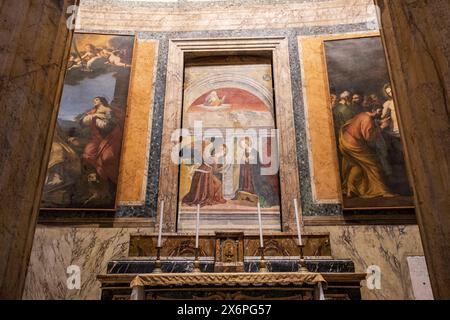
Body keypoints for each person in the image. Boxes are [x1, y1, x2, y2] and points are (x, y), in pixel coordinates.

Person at [339, 105, 396, 199]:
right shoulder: (368, 119)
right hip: (354, 144)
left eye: (381, 112)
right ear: (373, 110)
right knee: (373, 164)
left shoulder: (363, 115)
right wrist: (382, 127)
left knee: (357, 165)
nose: (380, 114)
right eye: (379, 112)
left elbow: (365, 125)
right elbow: (369, 137)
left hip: (346, 141)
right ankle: (382, 191)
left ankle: (350, 189)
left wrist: (379, 122)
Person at [80, 97, 124, 186]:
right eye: (94, 99)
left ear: (101, 101)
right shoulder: (93, 112)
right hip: (96, 137)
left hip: (110, 136)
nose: (94, 101)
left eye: (96, 99)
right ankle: (93, 178)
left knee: (107, 157)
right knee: (88, 152)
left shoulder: (108, 110)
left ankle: (108, 180)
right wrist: (93, 116)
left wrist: (97, 120)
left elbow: (108, 126)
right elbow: (82, 122)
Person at [182, 141, 227, 207]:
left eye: (223, 150)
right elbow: (214, 170)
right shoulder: (214, 157)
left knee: (218, 183)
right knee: (218, 183)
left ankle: (207, 197)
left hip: (203, 173)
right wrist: (221, 170)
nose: (221, 151)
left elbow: (212, 168)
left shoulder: (213, 156)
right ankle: (205, 197)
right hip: (204, 174)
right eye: (221, 149)